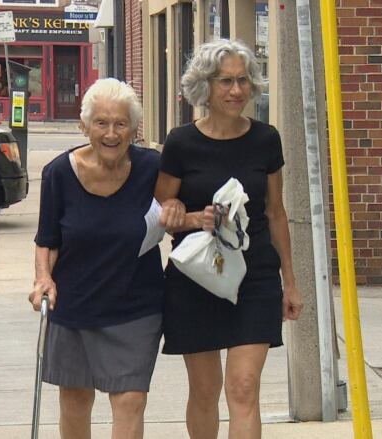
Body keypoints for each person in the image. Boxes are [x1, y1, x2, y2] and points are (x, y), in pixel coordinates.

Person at [155, 39, 304, 439]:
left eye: (242, 80)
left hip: (254, 275)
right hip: (196, 276)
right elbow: (162, 210)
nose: (236, 90)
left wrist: (289, 282)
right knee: (205, 391)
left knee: (243, 387)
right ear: (205, 85)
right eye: (225, 81)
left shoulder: (266, 139)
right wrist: (186, 216)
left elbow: (275, 212)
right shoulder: (181, 142)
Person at [28, 78, 184, 439]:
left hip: (135, 306)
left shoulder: (151, 168)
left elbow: (174, 205)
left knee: (130, 399)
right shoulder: (58, 174)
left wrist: (176, 206)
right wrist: (43, 278)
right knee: (76, 398)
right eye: (101, 123)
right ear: (85, 127)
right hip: (75, 306)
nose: (111, 133)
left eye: (121, 123)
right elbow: (47, 239)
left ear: (133, 128)